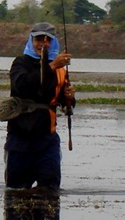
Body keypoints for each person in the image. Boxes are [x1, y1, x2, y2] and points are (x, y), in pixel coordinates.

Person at [4, 22, 75, 191]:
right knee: (15, 191)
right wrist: (51, 66)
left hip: (47, 139)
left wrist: (69, 98)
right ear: (31, 40)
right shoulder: (20, 63)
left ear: (53, 42)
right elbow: (22, 85)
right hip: (19, 137)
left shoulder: (61, 71)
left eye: (47, 40)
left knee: (50, 190)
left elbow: (67, 105)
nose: (42, 43)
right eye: (38, 39)